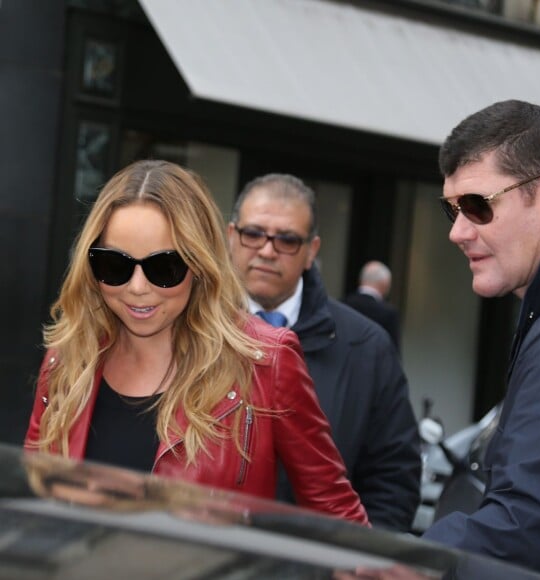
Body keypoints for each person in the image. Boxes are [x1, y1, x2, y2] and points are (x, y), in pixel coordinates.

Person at [24, 159, 368, 525]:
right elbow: (31, 498)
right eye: (114, 265)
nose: (138, 288)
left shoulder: (265, 362)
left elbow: (336, 513)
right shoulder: (69, 358)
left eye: (164, 268)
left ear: (200, 264)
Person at [421, 100, 540, 578]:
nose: (458, 231)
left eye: (477, 205)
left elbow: (528, 523)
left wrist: (406, 563)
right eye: (452, 209)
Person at [227, 173, 422, 531]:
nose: (267, 250)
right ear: (231, 236)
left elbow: (393, 480)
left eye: (286, 239)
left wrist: (354, 562)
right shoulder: (190, 329)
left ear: (311, 252)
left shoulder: (366, 347)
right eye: (253, 234)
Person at [344, 261, 401, 350]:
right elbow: (393, 352)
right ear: (385, 284)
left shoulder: (342, 304)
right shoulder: (388, 313)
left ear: (361, 279)